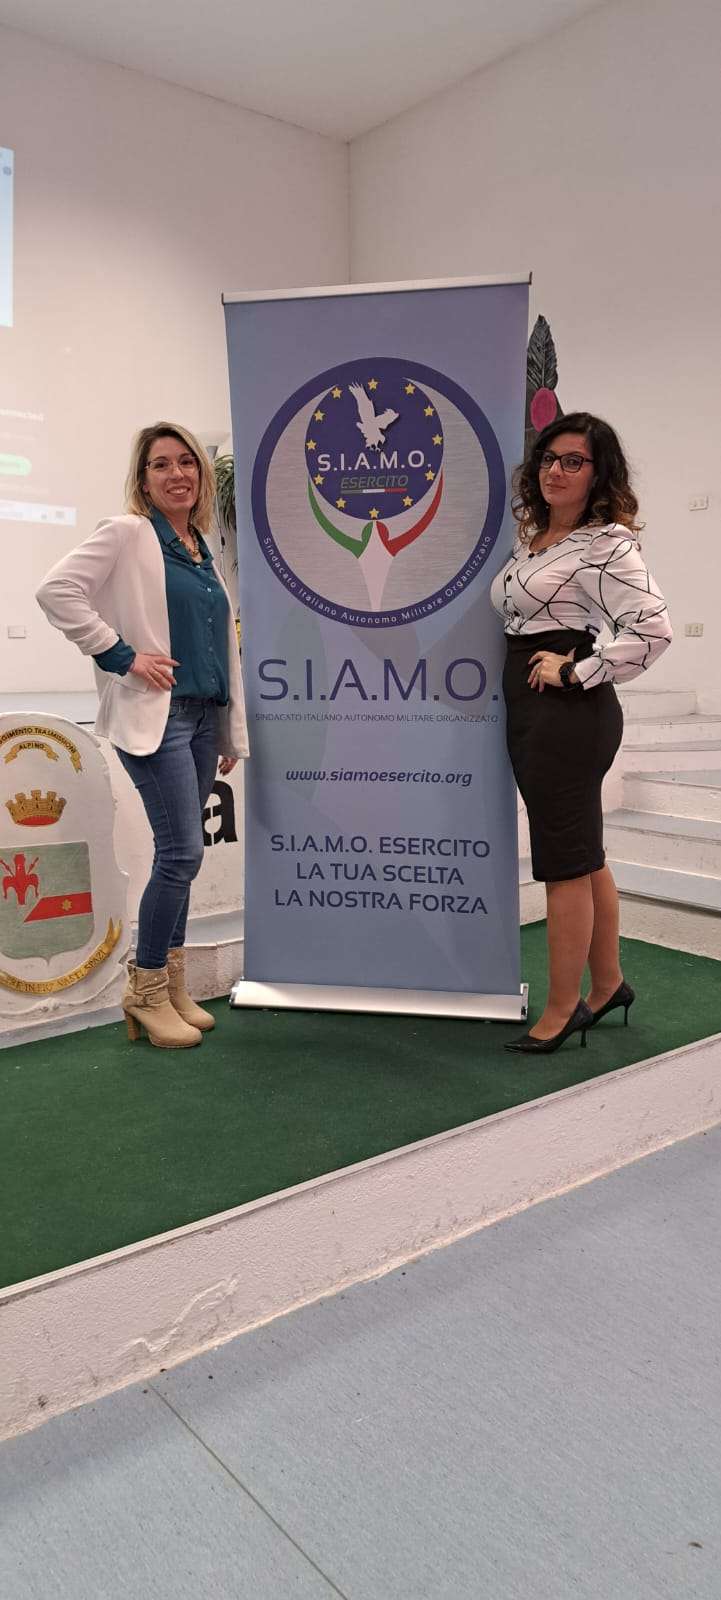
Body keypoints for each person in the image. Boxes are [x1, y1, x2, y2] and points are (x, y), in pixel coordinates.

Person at [37, 422, 248, 1049]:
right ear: (143, 478)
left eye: (187, 462)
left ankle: (171, 984)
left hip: (202, 716)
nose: (177, 474)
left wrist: (227, 728)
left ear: (201, 473)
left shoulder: (198, 546)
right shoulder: (129, 533)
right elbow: (56, 591)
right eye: (161, 464)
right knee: (180, 853)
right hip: (159, 717)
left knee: (185, 855)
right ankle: (146, 991)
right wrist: (122, 655)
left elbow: (215, 642)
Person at [490, 412, 672, 1054]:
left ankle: (563, 1009)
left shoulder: (606, 543)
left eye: (574, 461)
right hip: (533, 707)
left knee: (564, 862)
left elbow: (653, 630)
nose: (556, 471)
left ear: (599, 474)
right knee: (584, 854)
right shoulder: (538, 538)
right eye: (549, 458)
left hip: (567, 713)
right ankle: (609, 984)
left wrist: (576, 671)